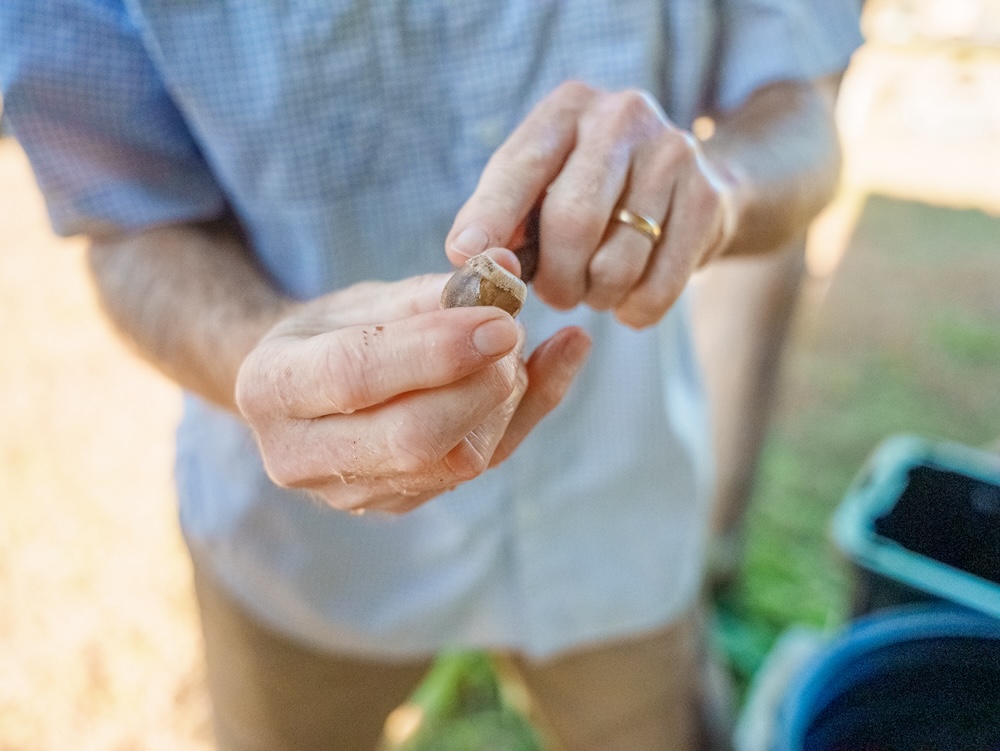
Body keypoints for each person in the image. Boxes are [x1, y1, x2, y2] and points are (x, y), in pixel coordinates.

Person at [0, 2, 862, 749]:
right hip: (304, 552)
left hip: (617, 511)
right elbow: (125, 222)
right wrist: (259, 349)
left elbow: (802, 112)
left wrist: (722, 180)